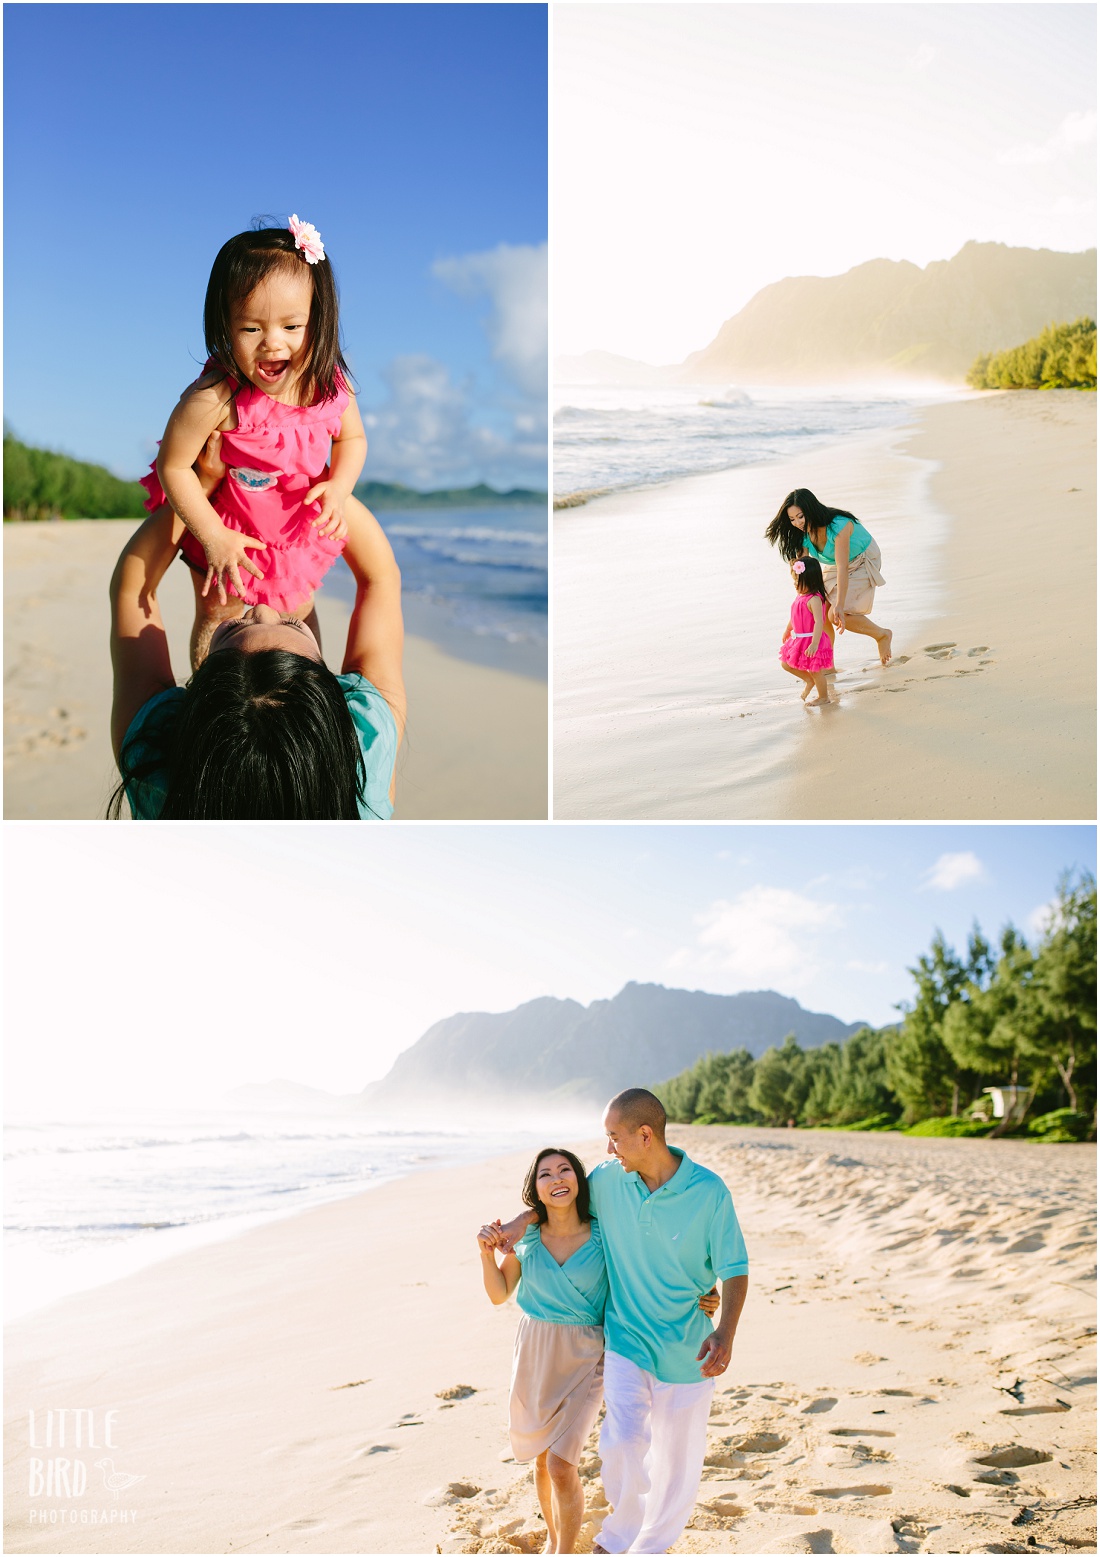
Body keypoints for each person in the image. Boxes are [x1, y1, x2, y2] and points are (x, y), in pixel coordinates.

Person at [488, 1091, 748, 1556]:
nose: (608, 1149)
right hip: (625, 1339)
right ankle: (616, 1539)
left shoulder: (709, 1192)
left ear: (644, 1135)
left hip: (688, 1350)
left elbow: (735, 1269)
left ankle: (650, 1546)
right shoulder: (610, 1181)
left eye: (614, 1137)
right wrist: (518, 1222)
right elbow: (560, 1198)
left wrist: (725, 1332)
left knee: (676, 1461)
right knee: (623, 1442)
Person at [108, 456, 405, 819]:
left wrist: (199, 485)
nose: (263, 606)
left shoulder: (154, 753)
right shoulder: (366, 753)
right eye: (292, 623)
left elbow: (133, 587)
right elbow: (381, 579)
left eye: (234, 625)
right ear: (332, 697)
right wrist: (310, 480)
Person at [140, 215, 367, 666]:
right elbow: (173, 466)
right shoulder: (215, 398)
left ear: (316, 320)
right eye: (251, 328)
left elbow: (353, 439)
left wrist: (339, 488)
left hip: (294, 529)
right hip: (228, 523)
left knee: (298, 616)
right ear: (225, 323)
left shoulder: (329, 386)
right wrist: (212, 535)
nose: (272, 344)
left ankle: (306, 690)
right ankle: (207, 694)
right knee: (219, 618)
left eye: (291, 326)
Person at [765, 487, 892, 665]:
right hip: (838, 564)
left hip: (863, 559)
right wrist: (796, 614)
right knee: (820, 607)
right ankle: (826, 664)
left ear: (811, 510)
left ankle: (882, 635)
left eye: (800, 516)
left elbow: (843, 566)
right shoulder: (802, 534)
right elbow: (804, 576)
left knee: (836, 614)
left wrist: (839, 604)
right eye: (792, 519)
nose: (797, 523)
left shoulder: (839, 525)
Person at [780, 557, 834, 706]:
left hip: (812, 640)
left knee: (816, 670)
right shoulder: (800, 596)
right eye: (794, 582)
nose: (795, 585)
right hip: (798, 639)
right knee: (786, 664)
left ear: (811, 581)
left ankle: (824, 697)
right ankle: (808, 680)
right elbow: (795, 615)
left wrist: (815, 643)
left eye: (798, 582)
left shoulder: (814, 599)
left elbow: (819, 622)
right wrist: (788, 629)